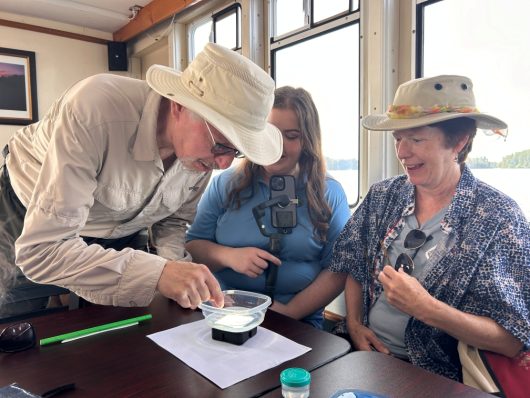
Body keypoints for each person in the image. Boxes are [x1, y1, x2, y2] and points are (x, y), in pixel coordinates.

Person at [0, 42, 283, 317]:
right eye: (221, 144)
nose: (223, 163)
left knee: (123, 329)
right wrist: (158, 272)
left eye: (236, 151)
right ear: (178, 106)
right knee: (16, 325)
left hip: (122, 228)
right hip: (27, 208)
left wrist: (178, 271)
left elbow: (173, 221)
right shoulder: (95, 109)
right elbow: (41, 251)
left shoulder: (204, 156)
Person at [329, 75, 529, 381]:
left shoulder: (499, 219)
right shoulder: (384, 196)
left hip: (435, 376)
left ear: (459, 140)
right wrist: (355, 325)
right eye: (397, 138)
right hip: (359, 356)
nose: (402, 152)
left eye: (417, 139)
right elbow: (353, 264)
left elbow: (512, 339)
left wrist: (428, 309)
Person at [185, 86, 350, 328]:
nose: (278, 145)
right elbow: (193, 246)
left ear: (307, 141)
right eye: (269, 133)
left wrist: (289, 312)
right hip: (225, 313)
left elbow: (338, 269)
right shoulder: (225, 184)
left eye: (291, 136)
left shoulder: (330, 194)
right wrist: (230, 256)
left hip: (298, 324)